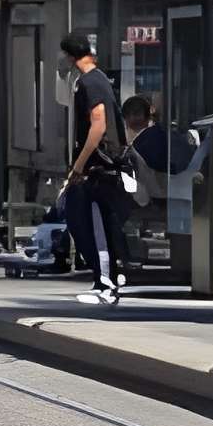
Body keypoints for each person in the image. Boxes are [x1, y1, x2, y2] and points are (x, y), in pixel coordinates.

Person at [57, 36, 125, 305]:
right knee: (78, 220)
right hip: (92, 167)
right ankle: (103, 278)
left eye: (63, 55)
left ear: (72, 55)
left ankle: (107, 282)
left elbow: (98, 124)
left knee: (95, 225)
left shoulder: (91, 81)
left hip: (96, 168)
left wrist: (79, 165)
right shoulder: (92, 80)